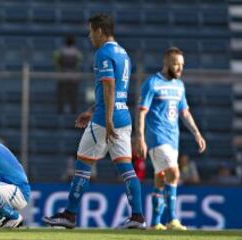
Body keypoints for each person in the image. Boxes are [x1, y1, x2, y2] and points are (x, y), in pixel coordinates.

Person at [42, 14, 146, 229]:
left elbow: (108, 86)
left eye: (91, 31)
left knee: (82, 165)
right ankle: (138, 217)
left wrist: (105, 118)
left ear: (100, 30)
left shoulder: (103, 53)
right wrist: (91, 110)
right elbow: (116, 91)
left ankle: (69, 215)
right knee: (126, 168)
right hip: (123, 116)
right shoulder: (123, 53)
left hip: (105, 120)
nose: (89, 36)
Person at [135, 47, 206, 230]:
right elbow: (141, 112)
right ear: (166, 63)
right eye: (176, 64)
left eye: (182, 65)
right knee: (174, 173)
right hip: (157, 137)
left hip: (173, 139)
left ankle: (155, 222)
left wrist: (197, 133)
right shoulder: (152, 83)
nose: (180, 68)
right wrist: (140, 138)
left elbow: (185, 113)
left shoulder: (179, 85)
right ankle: (172, 219)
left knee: (160, 178)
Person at [54, 35, 83, 114]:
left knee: (62, 97)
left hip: (63, 77)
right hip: (73, 78)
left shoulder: (60, 51)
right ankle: (73, 112)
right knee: (72, 97)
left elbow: (56, 62)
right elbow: (79, 63)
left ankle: (60, 112)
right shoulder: (77, 52)